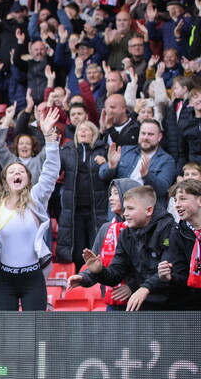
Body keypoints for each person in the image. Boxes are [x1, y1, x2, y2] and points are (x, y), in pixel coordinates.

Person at [0, 109, 61, 311]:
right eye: (12, 171)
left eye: (21, 172)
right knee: (6, 335)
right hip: (3, 278)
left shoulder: (36, 200)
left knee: (34, 333)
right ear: (5, 180)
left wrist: (50, 139)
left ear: (27, 179)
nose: (17, 173)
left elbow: (51, 171)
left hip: (33, 277)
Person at [68, 185, 176, 310]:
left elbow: (168, 271)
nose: (126, 214)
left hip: (169, 308)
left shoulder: (169, 230)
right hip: (141, 308)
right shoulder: (126, 234)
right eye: (125, 209)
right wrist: (99, 271)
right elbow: (116, 273)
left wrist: (144, 288)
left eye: (130, 209)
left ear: (149, 210)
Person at [57, 121, 110, 268]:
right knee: (78, 248)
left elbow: (110, 175)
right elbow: (54, 168)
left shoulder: (102, 150)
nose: (83, 132)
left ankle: (96, 277)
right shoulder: (67, 150)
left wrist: (106, 165)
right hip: (74, 210)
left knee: (97, 247)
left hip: (96, 209)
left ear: (93, 133)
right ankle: (80, 278)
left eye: (87, 129)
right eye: (80, 129)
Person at [98, 119, 176, 211]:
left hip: (147, 212)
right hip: (120, 209)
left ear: (159, 137)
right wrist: (111, 165)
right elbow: (102, 175)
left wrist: (147, 175)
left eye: (150, 134)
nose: (146, 137)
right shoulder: (125, 151)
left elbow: (162, 189)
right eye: (143, 133)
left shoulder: (167, 160)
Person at [158, 179, 201, 309]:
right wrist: (169, 277)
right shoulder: (177, 232)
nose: (177, 205)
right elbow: (183, 277)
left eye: (183, 199)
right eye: (175, 200)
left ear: (199, 200)